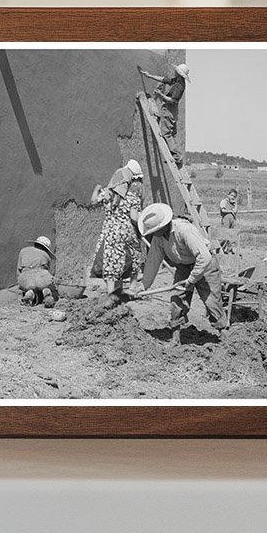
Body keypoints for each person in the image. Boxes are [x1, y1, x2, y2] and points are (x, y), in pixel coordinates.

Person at [137, 202, 228, 332]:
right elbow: (153, 262)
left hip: (206, 266)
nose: (153, 234)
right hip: (184, 267)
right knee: (176, 302)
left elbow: (204, 257)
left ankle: (224, 336)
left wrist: (192, 280)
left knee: (212, 302)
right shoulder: (158, 238)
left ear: (163, 225)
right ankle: (175, 339)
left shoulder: (184, 230)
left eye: (155, 231)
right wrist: (144, 285)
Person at [91, 158, 145, 301]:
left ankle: (112, 292)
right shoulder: (132, 198)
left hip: (109, 233)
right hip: (126, 233)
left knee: (110, 260)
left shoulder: (107, 195)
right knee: (133, 258)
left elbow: (93, 201)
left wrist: (97, 189)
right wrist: (144, 219)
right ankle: (131, 288)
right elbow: (134, 218)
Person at [139, 62, 189, 166]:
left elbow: (173, 100)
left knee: (166, 133)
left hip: (170, 109)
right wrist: (149, 75)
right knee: (171, 134)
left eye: (176, 71)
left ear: (179, 74)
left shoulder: (179, 86)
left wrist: (160, 95)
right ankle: (177, 155)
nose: (174, 72)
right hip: (171, 110)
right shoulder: (177, 81)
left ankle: (177, 156)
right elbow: (164, 79)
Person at [16, 235, 59, 308]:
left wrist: (20, 284)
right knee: (45, 286)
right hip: (42, 276)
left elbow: (18, 270)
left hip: (26, 277)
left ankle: (29, 293)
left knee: (29, 287)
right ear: (46, 248)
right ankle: (47, 294)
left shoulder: (23, 251)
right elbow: (48, 271)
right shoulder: (46, 255)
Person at [219, 189, 238, 254]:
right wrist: (230, 211)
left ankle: (229, 250)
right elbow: (223, 210)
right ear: (228, 195)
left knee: (232, 235)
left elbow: (235, 211)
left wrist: (235, 204)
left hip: (233, 220)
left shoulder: (234, 203)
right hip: (226, 220)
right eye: (231, 195)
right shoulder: (224, 201)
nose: (232, 197)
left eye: (234, 196)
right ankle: (220, 249)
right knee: (224, 235)